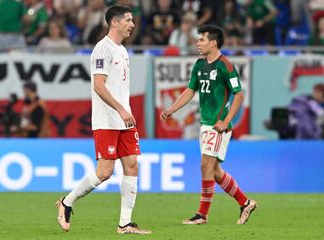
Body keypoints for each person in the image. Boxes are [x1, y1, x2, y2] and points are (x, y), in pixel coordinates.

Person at [56, 5, 151, 235]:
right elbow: (98, 86)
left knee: (132, 165)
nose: (132, 24)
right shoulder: (103, 49)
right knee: (105, 171)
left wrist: (124, 111)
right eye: (128, 20)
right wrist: (120, 109)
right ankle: (66, 202)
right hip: (107, 119)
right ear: (114, 22)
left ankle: (125, 223)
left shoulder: (122, 50)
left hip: (124, 118)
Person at [161, 25, 258, 225]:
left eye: (202, 40)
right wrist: (172, 109)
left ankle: (202, 215)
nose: (198, 43)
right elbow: (190, 91)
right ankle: (245, 202)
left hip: (218, 124)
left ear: (213, 43)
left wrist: (225, 120)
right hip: (206, 123)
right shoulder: (199, 65)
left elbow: (239, 94)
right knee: (214, 171)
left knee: (205, 165)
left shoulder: (226, 66)